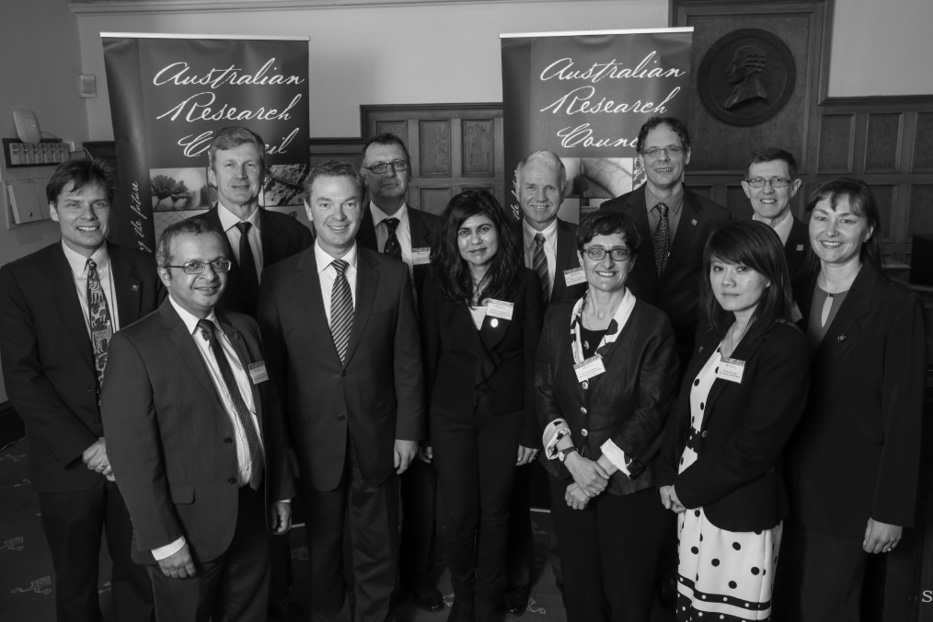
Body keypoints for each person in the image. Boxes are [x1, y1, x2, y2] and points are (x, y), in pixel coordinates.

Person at [100, 218, 293, 622]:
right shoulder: (135, 346)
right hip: (187, 529)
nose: (209, 276)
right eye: (192, 266)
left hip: (252, 512)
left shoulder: (245, 328)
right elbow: (132, 457)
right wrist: (163, 540)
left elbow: (268, 417)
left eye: (218, 263)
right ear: (164, 274)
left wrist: (279, 492)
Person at [258, 160, 425, 622]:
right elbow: (271, 375)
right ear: (308, 209)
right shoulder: (277, 279)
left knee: (377, 544)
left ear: (363, 204)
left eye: (349, 202)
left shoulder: (391, 274)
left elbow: (407, 360)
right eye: (326, 203)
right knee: (323, 546)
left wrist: (408, 431)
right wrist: (282, 446)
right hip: (311, 443)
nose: (339, 214)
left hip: (378, 434)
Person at [0, 159, 159, 622]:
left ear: (111, 209)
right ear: (53, 210)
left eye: (98, 203)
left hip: (138, 452)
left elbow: (162, 363)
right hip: (66, 460)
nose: (87, 215)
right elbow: (23, 380)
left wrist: (123, 442)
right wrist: (88, 447)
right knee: (74, 580)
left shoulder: (145, 269)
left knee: (139, 572)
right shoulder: (18, 280)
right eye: (73, 204)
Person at [782, 179, 925, 621]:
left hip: (849, 498)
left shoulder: (896, 305)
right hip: (780, 487)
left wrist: (890, 510)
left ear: (868, 230)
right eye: (822, 217)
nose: (831, 230)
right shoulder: (788, 291)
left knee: (826, 610)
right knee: (784, 605)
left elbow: (906, 416)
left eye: (847, 220)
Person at [657, 220, 809, 621]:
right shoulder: (715, 331)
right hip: (692, 505)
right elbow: (684, 411)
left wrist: (686, 487)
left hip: (738, 511)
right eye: (718, 268)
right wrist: (668, 475)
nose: (727, 280)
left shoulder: (784, 344)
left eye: (742, 269)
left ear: (771, 277)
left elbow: (756, 444)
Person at [536, 210, 680, 621]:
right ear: (580, 258)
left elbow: (651, 411)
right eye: (596, 251)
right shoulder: (557, 316)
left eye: (618, 252)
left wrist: (593, 475)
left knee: (628, 593)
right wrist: (572, 461)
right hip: (568, 473)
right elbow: (544, 392)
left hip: (628, 487)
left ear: (632, 261)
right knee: (579, 590)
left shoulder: (654, 325)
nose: (606, 263)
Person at [421, 190, 543, 622]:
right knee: (458, 515)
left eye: (484, 229)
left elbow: (534, 361)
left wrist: (532, 429)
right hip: (450, 416)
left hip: (506, 417)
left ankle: (488, 601)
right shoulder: (436, 285)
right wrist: (421, 431)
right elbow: (427, 358)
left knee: (495, 513)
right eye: (464, 232)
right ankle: (465, 597)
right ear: (452, 239)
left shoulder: (524, 283)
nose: (475, 241)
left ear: (499, 232)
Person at [356, 132, 443, 613]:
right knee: (371, 496)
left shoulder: (437, 229)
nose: (390, 175)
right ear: (364, 176)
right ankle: (377, 583)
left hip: (425, 378)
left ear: (410, 171)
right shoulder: (345, 229)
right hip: (366, 385)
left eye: (398, 165)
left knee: (424, 493)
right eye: (378, 167)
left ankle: (420, 578)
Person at [506, 149, 588, 613]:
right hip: (514, 388)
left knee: (565, 487)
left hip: (573, 390)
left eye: (550, 187)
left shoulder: (586, 240)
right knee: (514, 491)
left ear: (565, 190)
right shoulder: (492, 240)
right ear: (516, 188)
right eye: (531, 187)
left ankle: (568, 578)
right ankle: (518, 580)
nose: (540, 197)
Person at [600, 116, 730, 367]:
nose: (663, 158)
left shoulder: (716, 218)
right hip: (625, 349)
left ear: (687, 155)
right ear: (641, 160)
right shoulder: (612, 212)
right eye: (653, 151)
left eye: (672, 149)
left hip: (690, 351)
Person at [193, 126, 313, 317]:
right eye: (229, 165)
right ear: (213, 176)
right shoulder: (188, 236)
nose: (240, 174)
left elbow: (308, 304)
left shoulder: (296, 234)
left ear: (264, 174)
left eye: (250, 164)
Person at [741, 147, 815, 281]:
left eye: (778, 181)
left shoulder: (815, 243)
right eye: (757, 181)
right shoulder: (730, 240)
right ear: (747, 189)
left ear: (794, 187)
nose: (768, 190)